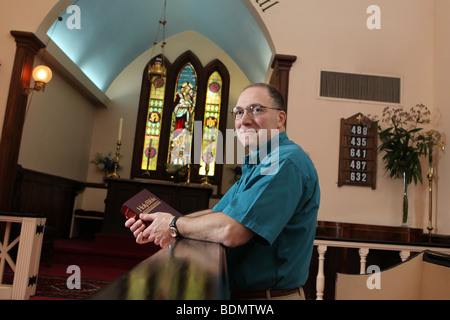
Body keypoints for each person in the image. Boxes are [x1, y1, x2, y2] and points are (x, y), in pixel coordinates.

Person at [125, 83, 320, 300]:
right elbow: (218, 214)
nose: (244, 120)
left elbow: (231, 230)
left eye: (256, 110)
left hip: (268, 297)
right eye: (238, 112)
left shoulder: (285, 161)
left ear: (281, 118)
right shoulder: (259, 162)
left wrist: (173, 226)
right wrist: (160, 224)